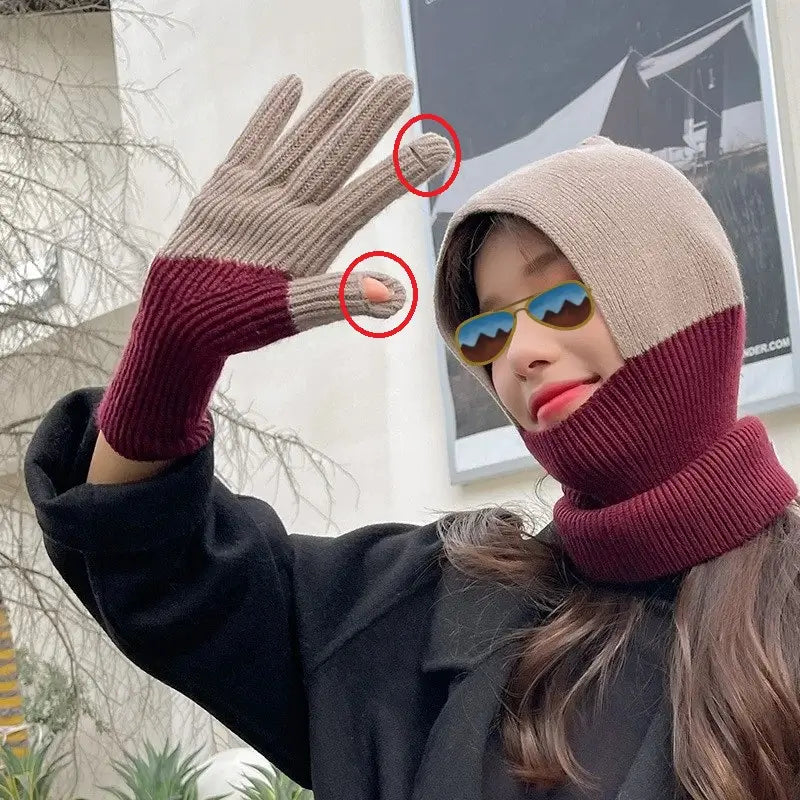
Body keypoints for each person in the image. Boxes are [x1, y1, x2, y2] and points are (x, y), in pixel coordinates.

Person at [22, 67, 800, 800]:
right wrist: (169, 356)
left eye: (562, 303)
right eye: (489, 332)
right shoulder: (444, 612)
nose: (519, 355)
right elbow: (162, 570)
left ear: (681, 300)